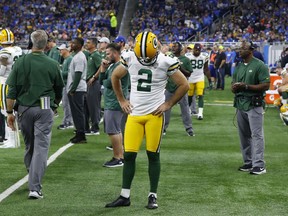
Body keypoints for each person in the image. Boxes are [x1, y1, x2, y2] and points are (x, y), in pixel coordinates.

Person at [105, 31, 189, 209]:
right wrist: (121, 100)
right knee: (128, 155)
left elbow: (184, 85)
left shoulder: (166, 61)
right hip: (135, 115)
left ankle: (153, 195)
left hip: (154, 116)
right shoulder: (130, 57)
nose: (145, 60)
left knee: (153, 155)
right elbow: (115, 76)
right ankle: (125, 195)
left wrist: (168, 104)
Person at [5, 29, 64, 198]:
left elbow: (11, 90)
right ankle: (35, 186)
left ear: (31, 42)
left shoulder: (21, 62)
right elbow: (59, 88)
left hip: (23, 108)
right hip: (44, 107)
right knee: (41, 148)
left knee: (30, 146)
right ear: (46, 44)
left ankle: (32, 177)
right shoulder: (52, 64)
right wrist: (54, 105)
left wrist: (9, 112)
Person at [231, 41, 270, 175]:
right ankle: (248, 162)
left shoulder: (260, 65)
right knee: (244, 136)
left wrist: (246, 86)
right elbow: (233, 84)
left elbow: (265, 85)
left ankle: (259, 165)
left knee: (257, 134)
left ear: (251, 50)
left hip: (254, 104)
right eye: (239, 48)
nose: (239, 51)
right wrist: (234, 88)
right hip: (240, 104)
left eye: (243, 48)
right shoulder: (239, 66)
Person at [99, 43, 129, 167]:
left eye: (108, 53)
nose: (106, 56)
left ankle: (118, 157)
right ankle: (120, 156)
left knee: (113, 131)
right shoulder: (113, 66)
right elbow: (103, 79)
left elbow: (109, 83)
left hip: (115, 102)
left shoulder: (120, 66)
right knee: (115, 130)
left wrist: (106, 80)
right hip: (111, 101)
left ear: (115, 53)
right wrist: (103, 69)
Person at [164, 41, 194, 136]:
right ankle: (163, 128)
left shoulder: (185, 60)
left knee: (185, 108)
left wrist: (179, 67)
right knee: (166, 108)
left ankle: (189, 129)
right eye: (173, 46)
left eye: (176, 46)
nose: (173, 48)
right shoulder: (168, 58)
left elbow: (189, 73)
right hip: (169, 86)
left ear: (180, 48)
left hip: (181, 88)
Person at [0, 28, 22, 147]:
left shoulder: (4, 52)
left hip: (5, 83)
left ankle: (12, 140)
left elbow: (2, 71)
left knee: (6, 112)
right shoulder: (17, 50)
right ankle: (10, 138)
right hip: (16, 82)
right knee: (11, 111)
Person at [67, 37, 87, 144]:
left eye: (74, 43)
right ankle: (79, 133)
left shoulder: (79, 57)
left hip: (77, 89)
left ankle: (81, 134)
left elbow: (78, 74)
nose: (71, 45)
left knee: (78, 112)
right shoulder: (77, 56)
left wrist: (73, 89)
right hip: (77, 88)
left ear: (79, 45)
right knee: (76, 112)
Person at [185, 43, 210, 120]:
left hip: (200, 77)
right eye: (196, 50)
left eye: (198, 50)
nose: (197, 52)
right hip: (191, 78)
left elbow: (206, 68)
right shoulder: (187, 56)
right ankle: (188, 111)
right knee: (189, 96)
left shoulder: (204, 56)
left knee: (200, 95)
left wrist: (209, 79)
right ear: (193, 49)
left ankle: (200, 113)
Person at [84, 37, 102, 135]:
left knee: (93, 106)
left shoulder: (95, 55)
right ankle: (89, 127)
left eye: (88, 42)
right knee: (87, 105)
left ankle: (95, 128)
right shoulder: (90, 55)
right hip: (88, 83)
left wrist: (94, 77)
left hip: (94, 83)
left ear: (94, 45)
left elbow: (101, 66)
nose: (87, 44)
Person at [57, 43, 74, 130]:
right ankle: (67, 121)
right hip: (65, 83)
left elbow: (70, 73)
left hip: (68, 84)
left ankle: (68, 121)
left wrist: (60, 72)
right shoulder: (66, 59)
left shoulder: (70, 59)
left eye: (61, 49)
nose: (60, 51)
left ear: (66, 50)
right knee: (65, 104)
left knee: (67, 104)